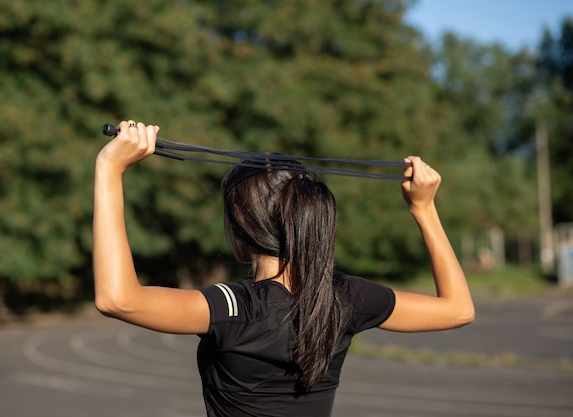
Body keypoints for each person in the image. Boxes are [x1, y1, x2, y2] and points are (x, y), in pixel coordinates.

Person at [93, 120, 475, 417]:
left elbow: (118, 299)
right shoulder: (346, 297)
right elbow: (459, 309)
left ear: (240, 222)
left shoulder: (237, 309)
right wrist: (424, 210)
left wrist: (110, 169)